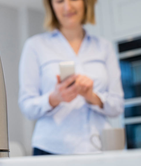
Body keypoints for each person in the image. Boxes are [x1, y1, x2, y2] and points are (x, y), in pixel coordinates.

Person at [18, 0, 124, 155]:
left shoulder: (104, 47)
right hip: (51, 149)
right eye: (60, 1)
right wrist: (54, 98)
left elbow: (118, 105)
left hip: (98, 148)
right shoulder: (35, 45)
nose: (67, 7)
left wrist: (92, 97)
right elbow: (27, 105)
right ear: (51, 6)